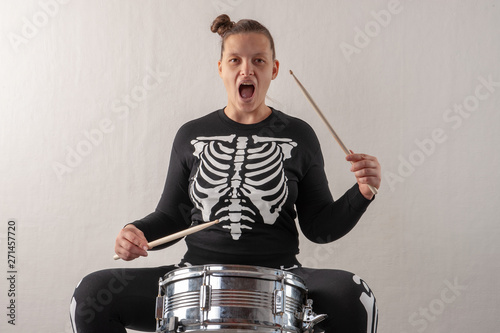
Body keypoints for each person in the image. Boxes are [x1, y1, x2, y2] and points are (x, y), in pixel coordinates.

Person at [70, 14, 381, 333]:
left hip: (281, 275)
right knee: (91, 296)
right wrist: (135, 232)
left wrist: (362, 193)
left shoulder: (298, 135)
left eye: (258, 60)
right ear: (221, 69)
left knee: (355, 297)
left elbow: (319, 228)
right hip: (195, 276)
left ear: (273, 70)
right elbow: (172, 217)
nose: (247, 70)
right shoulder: (191, 135)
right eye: (235, 60)